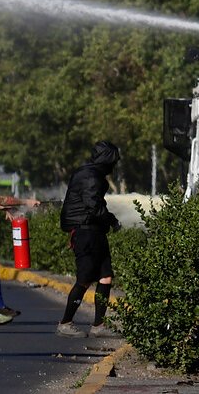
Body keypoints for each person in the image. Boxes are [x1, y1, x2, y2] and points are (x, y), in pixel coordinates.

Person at [56, 140, 122, 339]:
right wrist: (111, 219)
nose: (114, 166)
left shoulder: (92, 174)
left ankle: (98, 325)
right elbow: (93, 206)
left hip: (95, 232)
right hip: (86, 233)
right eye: (113, 162)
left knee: (105, 277)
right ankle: (65, 323)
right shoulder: (91, 177)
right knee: (84, 279)